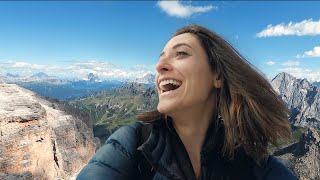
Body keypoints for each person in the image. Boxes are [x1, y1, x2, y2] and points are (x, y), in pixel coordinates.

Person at [77, 25, 297, 180]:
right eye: (161, 57)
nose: (159, 65)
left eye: (180, 53)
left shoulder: (255, 165)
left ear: (217, 76)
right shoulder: (130, 141)